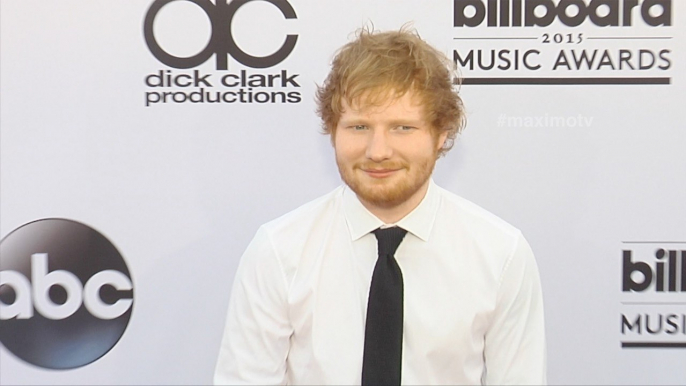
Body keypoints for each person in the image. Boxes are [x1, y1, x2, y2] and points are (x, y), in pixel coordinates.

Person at [214, 27, 546, 385]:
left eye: (402, 127)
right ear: (332, 130)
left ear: (442, 132)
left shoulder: (501, 254)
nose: (378, 151)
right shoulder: (279, 251)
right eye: (358, 127)